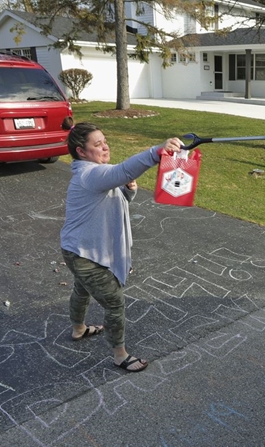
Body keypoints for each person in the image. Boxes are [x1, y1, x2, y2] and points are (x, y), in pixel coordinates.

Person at [60, 117, 184, 372]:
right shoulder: (89, 173)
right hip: (84, 254)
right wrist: (156, 152)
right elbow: (124, 171)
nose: (105, 147)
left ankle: (78, 329)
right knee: (114, 302)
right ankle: (120, 355)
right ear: (81, 152)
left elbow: (115, 198)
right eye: (98, 144)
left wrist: (128, 192)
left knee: (82, 291)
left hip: (78, 249)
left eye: (105, 141)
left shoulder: (96, 174)